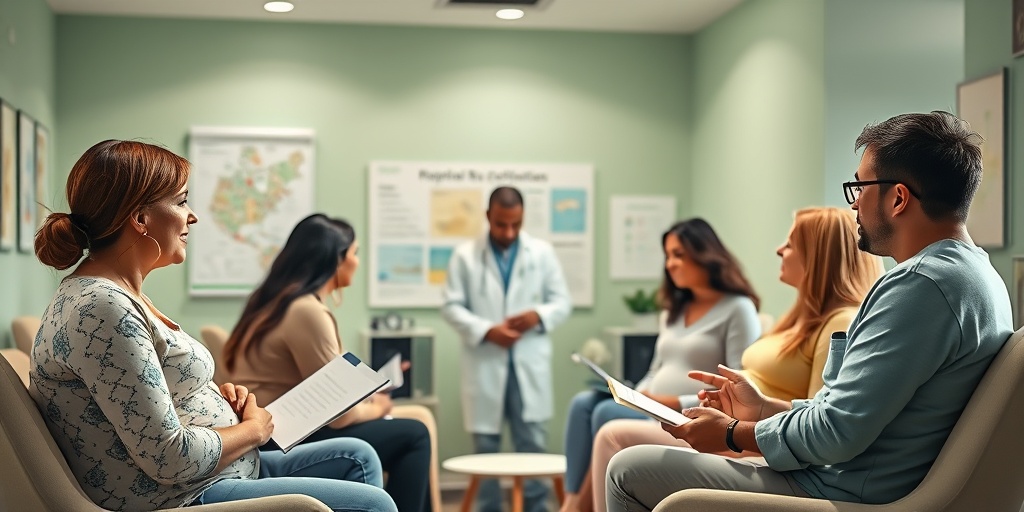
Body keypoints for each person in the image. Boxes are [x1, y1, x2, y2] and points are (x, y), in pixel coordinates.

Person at [605, 111, 1013, 511]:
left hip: (839, 491)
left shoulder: (921, 286)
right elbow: (848, 411)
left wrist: (733, 434)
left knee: (627, 468)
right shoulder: (977, 276)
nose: (853, 206)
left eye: (860, 188)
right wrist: (764, 409)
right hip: (845, 478)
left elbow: (837, 433)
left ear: (898, 198)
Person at [30, 140, 397, 512]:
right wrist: (254, 429)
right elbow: (167, 458)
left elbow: (144, 398)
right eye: (181, 201)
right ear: (140, 219)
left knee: (357, 455)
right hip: (186, 496)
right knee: (373, 503)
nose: (193, 216)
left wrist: (220, 398)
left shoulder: (118, 295)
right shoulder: (102, 309)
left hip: (221, 472)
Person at [587, 206, 882, 511]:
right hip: (742, 425)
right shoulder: (798, 319)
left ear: (818, 256)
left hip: (758, 442)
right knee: (596, 414)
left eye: (791, 243)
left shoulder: (838, 324)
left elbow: (817, 424)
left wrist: (731, 432)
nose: (779, 249)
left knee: (614, 438)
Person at [224, 213, 433, 512]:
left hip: (267, 430)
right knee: (415, 434)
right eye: (355, 253)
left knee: (408, 432)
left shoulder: (272, 302)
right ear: (336, 260)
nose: (357, 262)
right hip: (282, 438)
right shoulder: (307, 311)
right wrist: (380, 407)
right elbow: (340, 416)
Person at [560, 218, 762, 512]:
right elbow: (655, 370)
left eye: (678, 254)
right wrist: (636, 397)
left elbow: (737, 384)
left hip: (692, 412)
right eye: (667, 256)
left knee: (604, 411)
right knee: (583, 403)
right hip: (652, 405)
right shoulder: (674, 310)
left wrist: (670, 400)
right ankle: (571, 503)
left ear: (704, 253)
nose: (670, 264)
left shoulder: (737, 309)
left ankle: (580, 507)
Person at [441, 185, 573, 512]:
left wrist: (536, 315)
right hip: (486, 360)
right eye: (501, 224)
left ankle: (537, 508)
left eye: (515, 224)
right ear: (488, 216)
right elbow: (451, 306)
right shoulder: (465, 256)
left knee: (533, 447)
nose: (509, 231)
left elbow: (562, 302)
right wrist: (487, 331)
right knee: (485, 450)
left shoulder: (541, 252)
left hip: (528, 363)